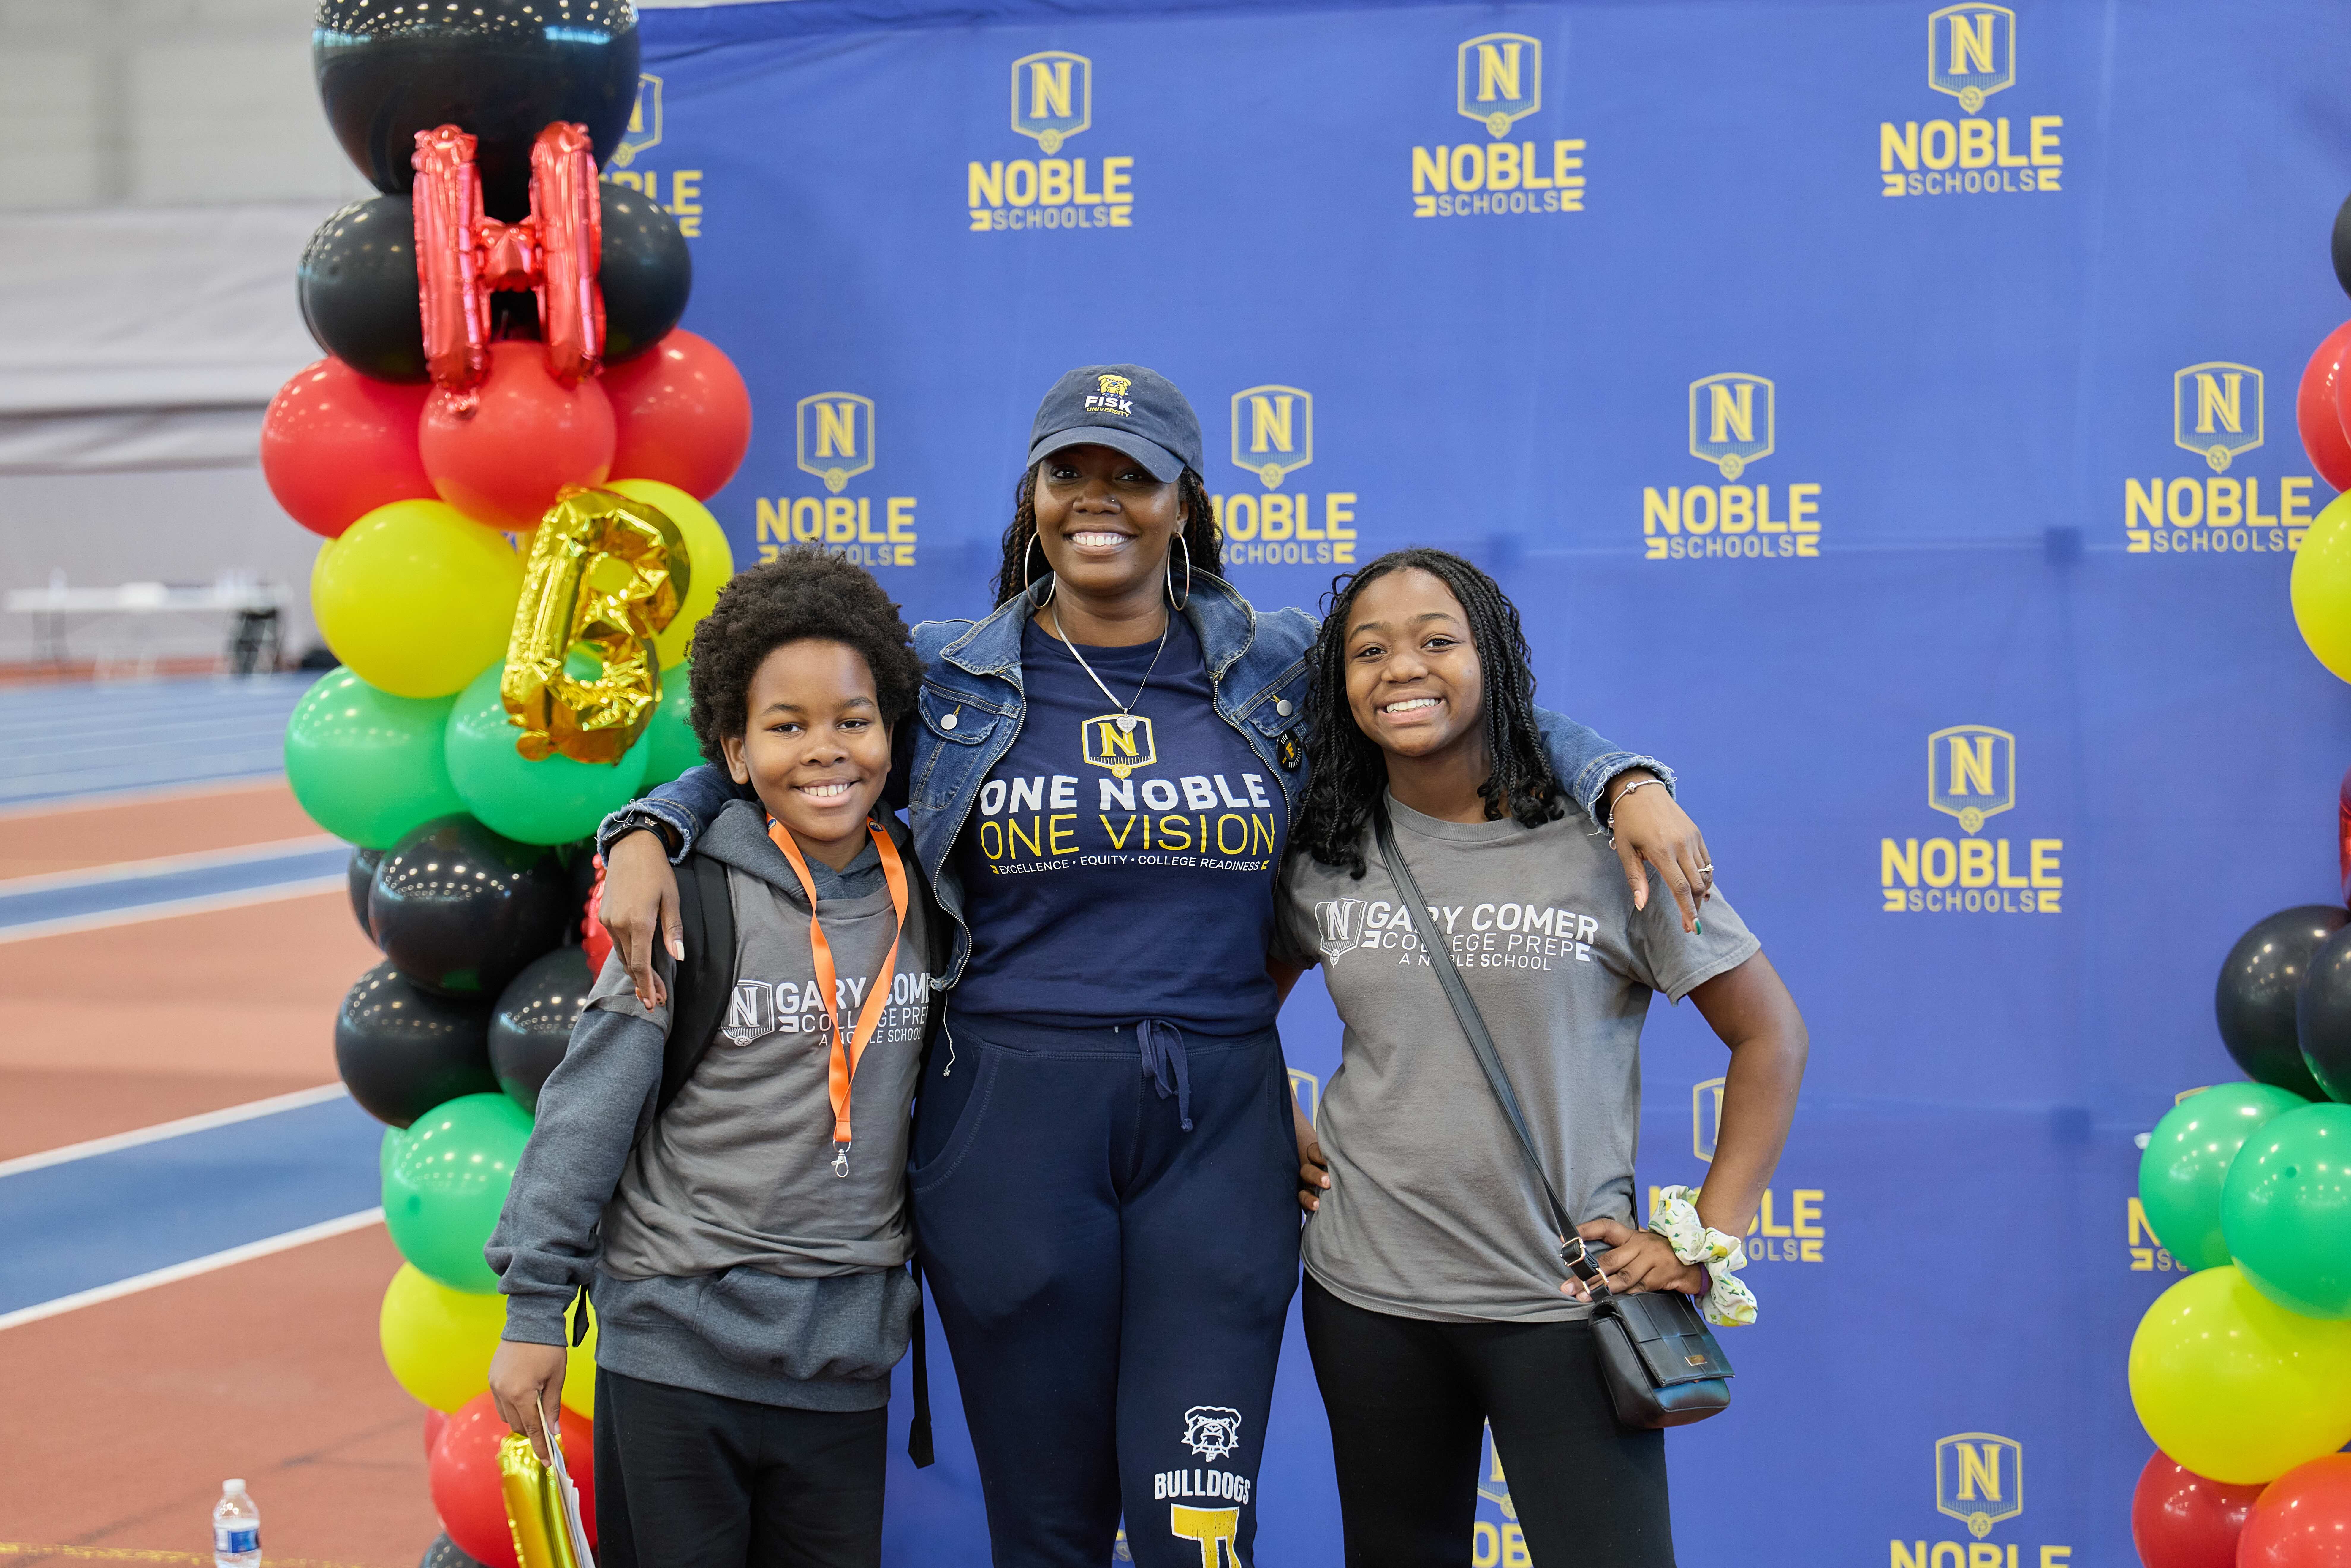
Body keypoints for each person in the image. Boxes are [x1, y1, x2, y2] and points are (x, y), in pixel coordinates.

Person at [593, 365, 1720, 1568]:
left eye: (1134, 476)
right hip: (1006, 1135)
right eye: (1070, 471)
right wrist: (651, 827)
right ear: (1031, 496)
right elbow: (784, 733)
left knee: (1195, 1532)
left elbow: (1449, 683)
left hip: (1216, 1138)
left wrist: (1621, 777)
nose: (1100, 499)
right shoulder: (947, 674)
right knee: (1050, 1531)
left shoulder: (1275, 663)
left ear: (1185, 502)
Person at [1278, 547, 1807, 1568]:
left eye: (1438, 641)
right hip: (1369, 1299)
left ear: (1495, 664)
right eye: (1370, 650)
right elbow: (1222, 1010)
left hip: (1566, 1302)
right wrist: (1279, 1117)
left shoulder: (1606, 842)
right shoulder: (1328, 846)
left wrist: (1708, 1237)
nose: (1403, 669)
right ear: (1341, 683)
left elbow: (1770, 1035)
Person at [484, 548, 950, 1568]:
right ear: (735, 753)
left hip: (842, 1361)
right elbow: (586, 1108)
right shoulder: (686, 902)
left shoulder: (936, 895)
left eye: (853, 721)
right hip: (678, 1350)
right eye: (786, 727)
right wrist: (533, 1309)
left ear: (890, 734)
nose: (825, 751)